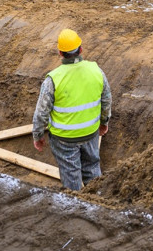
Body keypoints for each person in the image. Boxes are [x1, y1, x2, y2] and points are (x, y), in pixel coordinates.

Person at [32, 28, 111, 191]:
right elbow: (106, 100)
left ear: (60, 53)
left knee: (71, 175)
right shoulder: (96, 71)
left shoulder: (53, 79)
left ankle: (76, 207)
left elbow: (41, 113)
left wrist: (38, 135)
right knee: (92, 168)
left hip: (64, 139)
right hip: (90, 134)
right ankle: (99, 202)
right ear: (81, 49)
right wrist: (104, 122)